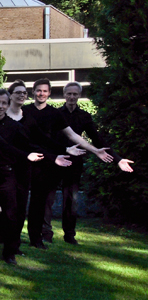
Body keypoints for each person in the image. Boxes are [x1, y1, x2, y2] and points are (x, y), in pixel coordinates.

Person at [23, 78, 112, 249]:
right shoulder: (39, 112)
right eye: (38, 90)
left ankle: (57, 236)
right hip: (43, 158)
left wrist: (100, 152)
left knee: (62, 199)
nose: (72, 97)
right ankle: (39, 234)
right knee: (39, 199)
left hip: (62, 160)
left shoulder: (69, 115)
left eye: (75, 94)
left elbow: (78, 136)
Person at [54, 82, 134, 243]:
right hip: (55, 159)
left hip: (74, 162)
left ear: (79, 96)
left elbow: (98, 140)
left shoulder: (84, 116)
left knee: (72, 200)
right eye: (69, 93)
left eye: (75, 94)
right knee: (46, 197)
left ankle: (69, 235)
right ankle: (44, 235)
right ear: (64, 95)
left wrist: (117, 159)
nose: (71, 97)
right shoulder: (55, 114)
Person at [0, 90, 45, 264]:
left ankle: (9, 253)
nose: (0, 106)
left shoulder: (16, 127)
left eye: (4, 103)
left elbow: (27, 148)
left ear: (8, 105)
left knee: (11, 216)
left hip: (7, 176)